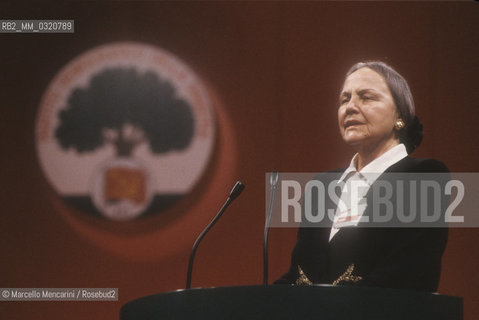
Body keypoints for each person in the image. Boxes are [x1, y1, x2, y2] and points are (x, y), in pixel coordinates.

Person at [275, 61, 449, 292]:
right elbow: (300, 274)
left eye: (366, 97)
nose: (350, 107)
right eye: (344, 99)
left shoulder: (424, 175)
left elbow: (408, 274)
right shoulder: (322, 186)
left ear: (400, 115)